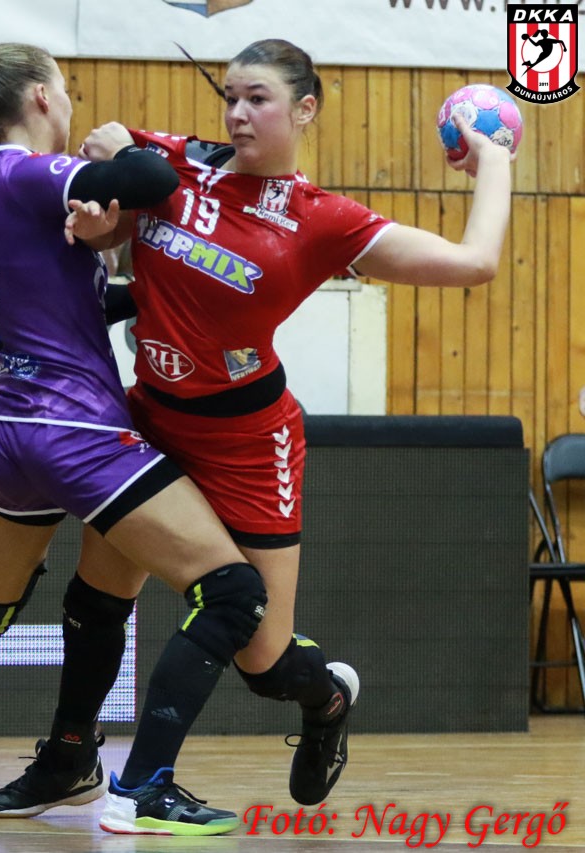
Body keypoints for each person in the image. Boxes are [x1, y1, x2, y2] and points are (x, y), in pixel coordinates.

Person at [62, 38, 510, 808]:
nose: (238, 113)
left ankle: (328, 702)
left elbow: (475, 263)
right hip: (152, 419)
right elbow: (105, 190)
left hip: (247, 440)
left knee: (263, 659)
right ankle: (89, 767)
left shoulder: (322, 220)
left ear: (304, 110)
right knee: (100, 589)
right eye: (231, 96)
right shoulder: (176, 163)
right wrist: (104, 164)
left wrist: (494, 161)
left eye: (258, 99)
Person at [0, 41, 277, 837]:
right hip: (73, 429)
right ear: (42, 96)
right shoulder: (26, 172)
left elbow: (71, 307)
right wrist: (123, 150)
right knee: (231, 590)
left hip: (14, 431)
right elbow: (150, 182)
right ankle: (145, 789)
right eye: (67, 89)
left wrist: (155, 286)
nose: (72, 105)